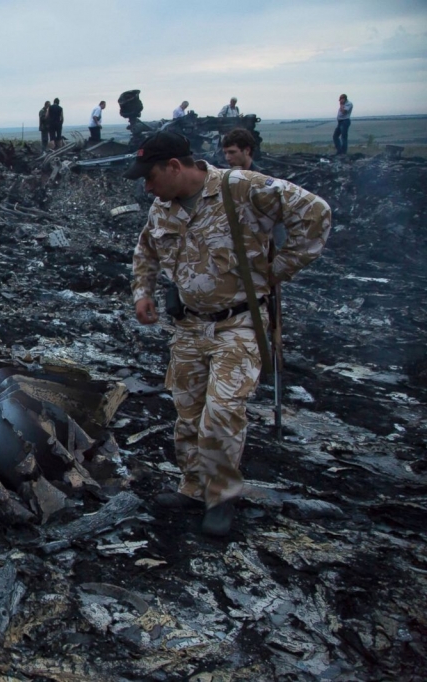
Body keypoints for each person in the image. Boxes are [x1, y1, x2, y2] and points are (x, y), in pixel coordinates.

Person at [126, 131, 331, 536]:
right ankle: (192, 486)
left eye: (150, 177)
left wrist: (279, 269)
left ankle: (221, 496)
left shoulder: (241, 187)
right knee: (188, 411)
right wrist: (142, 293)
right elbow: (146, 250)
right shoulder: (161, 207)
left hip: (239, 322)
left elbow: (316, 213)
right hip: (188, 325)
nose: (147, 187)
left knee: (221, 412)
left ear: (174, 167)